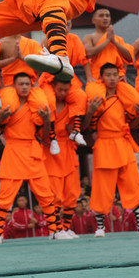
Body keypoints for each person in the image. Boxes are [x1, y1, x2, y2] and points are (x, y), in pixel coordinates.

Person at [0, 73, 61, 243]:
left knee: (45, 194)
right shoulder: (7, 105)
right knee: (4, 196)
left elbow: (45, 135)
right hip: (13, 150)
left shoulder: (36, 106)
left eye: (27, 84)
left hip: (32, 150)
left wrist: (47, 120)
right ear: (15, 85)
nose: (25, 87)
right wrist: (1, 119)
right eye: (21, 84)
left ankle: (54, 231)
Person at [82, 63, 139, 236]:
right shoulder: (96, 98)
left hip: (123, 142)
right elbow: (85, 126)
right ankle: (100, 227)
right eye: (109, 75)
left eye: (115, 74)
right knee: (102, 187)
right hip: (104, 143)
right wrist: (90, 111)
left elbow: (133, 125)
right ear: (102, 78)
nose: (112, 78)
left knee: (133, 184)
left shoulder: (124, 97)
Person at [42, 75, 86, 239]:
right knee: (55, 195)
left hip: (68, 150)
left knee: (72, 192)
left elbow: (81, 127)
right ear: (53, 87)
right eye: (59, 89)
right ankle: (55, 229)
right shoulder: (46, 104)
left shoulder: (72, 106)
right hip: (52, 151)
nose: (62, 92)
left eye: (66, 90)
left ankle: (66, 227)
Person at [83, 7, 133, 84]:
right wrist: (107, 41)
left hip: (117, 77)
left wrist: (114, 42)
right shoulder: (90, 37)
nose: (105, 18)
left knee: (133, 96)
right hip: (98, 78)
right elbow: (88, 53)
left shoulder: (118, 39)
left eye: (107, 16)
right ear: (93, 20)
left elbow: (128, 57)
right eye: (101, 16)